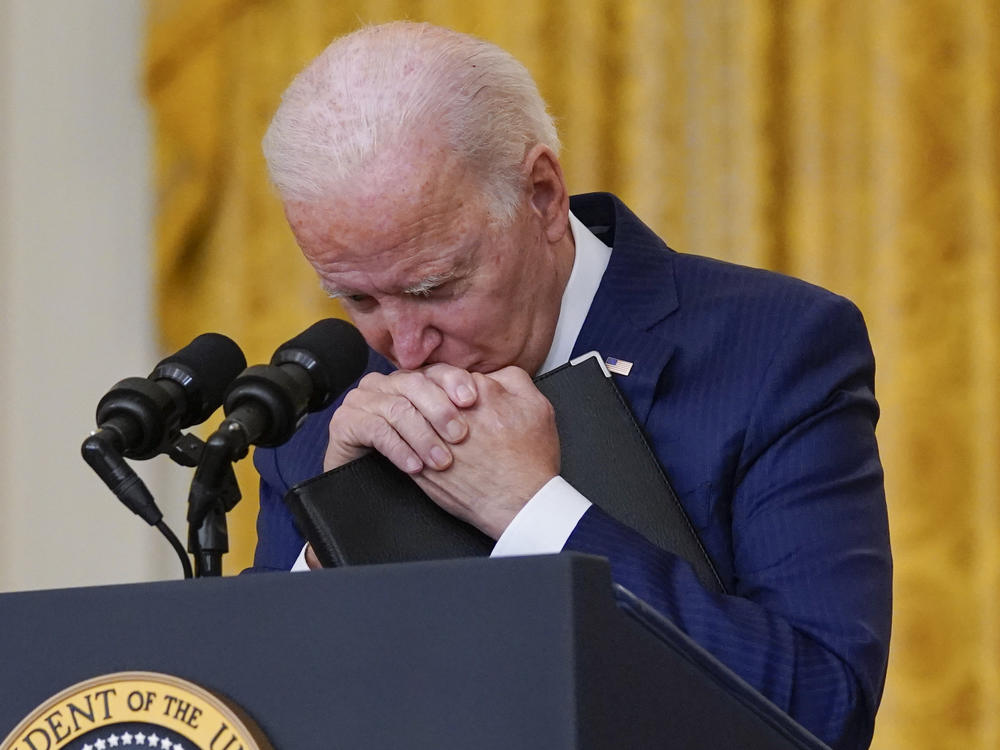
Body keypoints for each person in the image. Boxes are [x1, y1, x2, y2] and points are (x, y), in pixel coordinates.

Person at [251, 21, 891, 750]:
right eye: (357, 300)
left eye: (436, 287)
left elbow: (821, 714)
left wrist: (536, 513)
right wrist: (342, 533)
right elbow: (243, 714)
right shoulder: (318, 405)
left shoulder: (776, 349)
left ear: (543, 196)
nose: (403, 347)